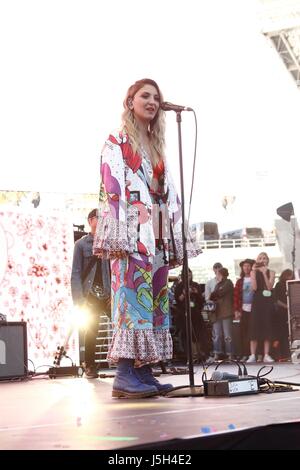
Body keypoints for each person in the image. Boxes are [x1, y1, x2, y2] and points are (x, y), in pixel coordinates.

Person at [93, 78, 201, 398]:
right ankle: (124, 374)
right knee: (131, 302)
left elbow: (168, 194)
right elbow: (112, 188)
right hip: (131, 234)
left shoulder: (156, 146)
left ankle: (144, 371)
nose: (152, 101)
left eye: (156, 97)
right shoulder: (116, 141)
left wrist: (173, 235)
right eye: (145, 96)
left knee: (154, 303)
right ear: (130, 101)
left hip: (155, 235)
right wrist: (122, 234)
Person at [71, 209, 111, 378]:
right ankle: (90, 366)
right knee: (92, 330)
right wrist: (79, 300)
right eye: (98, 218)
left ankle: (127, 363)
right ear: (90, 220)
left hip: (109, 294)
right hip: (90, 295)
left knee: (122, 326)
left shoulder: (110, 242)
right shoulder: (81, 245)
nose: (102, 221)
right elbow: (76, 273)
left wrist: (114, 294)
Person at [247, 252, 276, 363]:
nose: (262, 260)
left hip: (267, 301)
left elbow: (269, 287)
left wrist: (264, 274)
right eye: (260, 258)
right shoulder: (253, 272)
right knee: (254, 326)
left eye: (264, 258)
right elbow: (254, 288)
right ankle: (253, 354)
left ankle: (266, 354)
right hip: (257, 300)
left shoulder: (272, 272)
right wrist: (253, 272)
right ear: (257, 260)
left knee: (267, 325)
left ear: (267, 260)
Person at [174, 268, 208, 362]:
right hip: (184, 313)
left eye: (190, 275)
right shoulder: (179, 286)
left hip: (195, 313)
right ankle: (190, 355)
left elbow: (201, 300)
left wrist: (196, 292)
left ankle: (199, 354)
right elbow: (178, 300)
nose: (188, 277)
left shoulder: (196, 285)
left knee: (198, 334)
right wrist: (184, 293)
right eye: (186, 275)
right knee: (187, 335)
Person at [210, 267, 234, 360]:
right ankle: (217, 352)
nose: (216, 276)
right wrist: (214, 293)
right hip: (217, 313)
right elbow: (212, 296)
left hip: (226, 312)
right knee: (217, 334)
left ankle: (230, 353)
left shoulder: (228, 283)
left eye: (218, 274)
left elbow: (219, 293)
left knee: (228, 335)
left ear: (222, 274)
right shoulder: (217, 284)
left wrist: (215, 293)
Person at [233, 258, 255, 360]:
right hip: (243, 310)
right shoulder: (239, 281)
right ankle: (245, 354)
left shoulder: (254, 279)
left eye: (248, 265)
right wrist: (237, 310)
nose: (246, 267)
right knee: (243, 333)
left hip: (254, 310)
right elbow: (236, 296)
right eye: (244, 266)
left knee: (253, 332)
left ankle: (253, 354)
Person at [272, 268, 293, 361]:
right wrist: (287, 306)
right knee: (282, 334)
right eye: (288, 275)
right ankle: (283, 354)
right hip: (281, 313)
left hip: (291, 313)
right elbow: (276, 300)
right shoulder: (279, 285)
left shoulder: (293, 285)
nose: (290, 277)